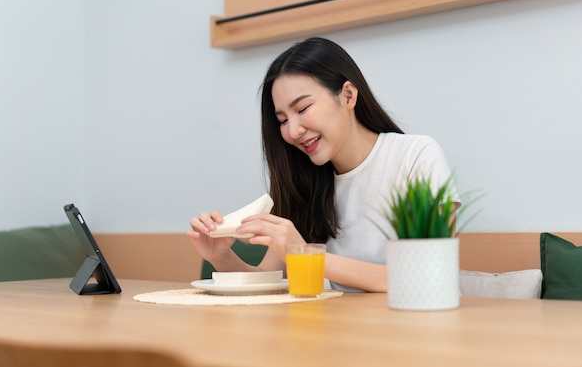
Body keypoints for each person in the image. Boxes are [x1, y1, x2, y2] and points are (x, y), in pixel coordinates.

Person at [187, 37, 461, 292]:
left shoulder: (415, 156)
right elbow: (266, 282)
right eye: (282, 120)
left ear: (348, 96)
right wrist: (221, 256)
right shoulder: (304, 182)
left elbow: (426, 276)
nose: (293, 131)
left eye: (303, 109)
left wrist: (303, 254)